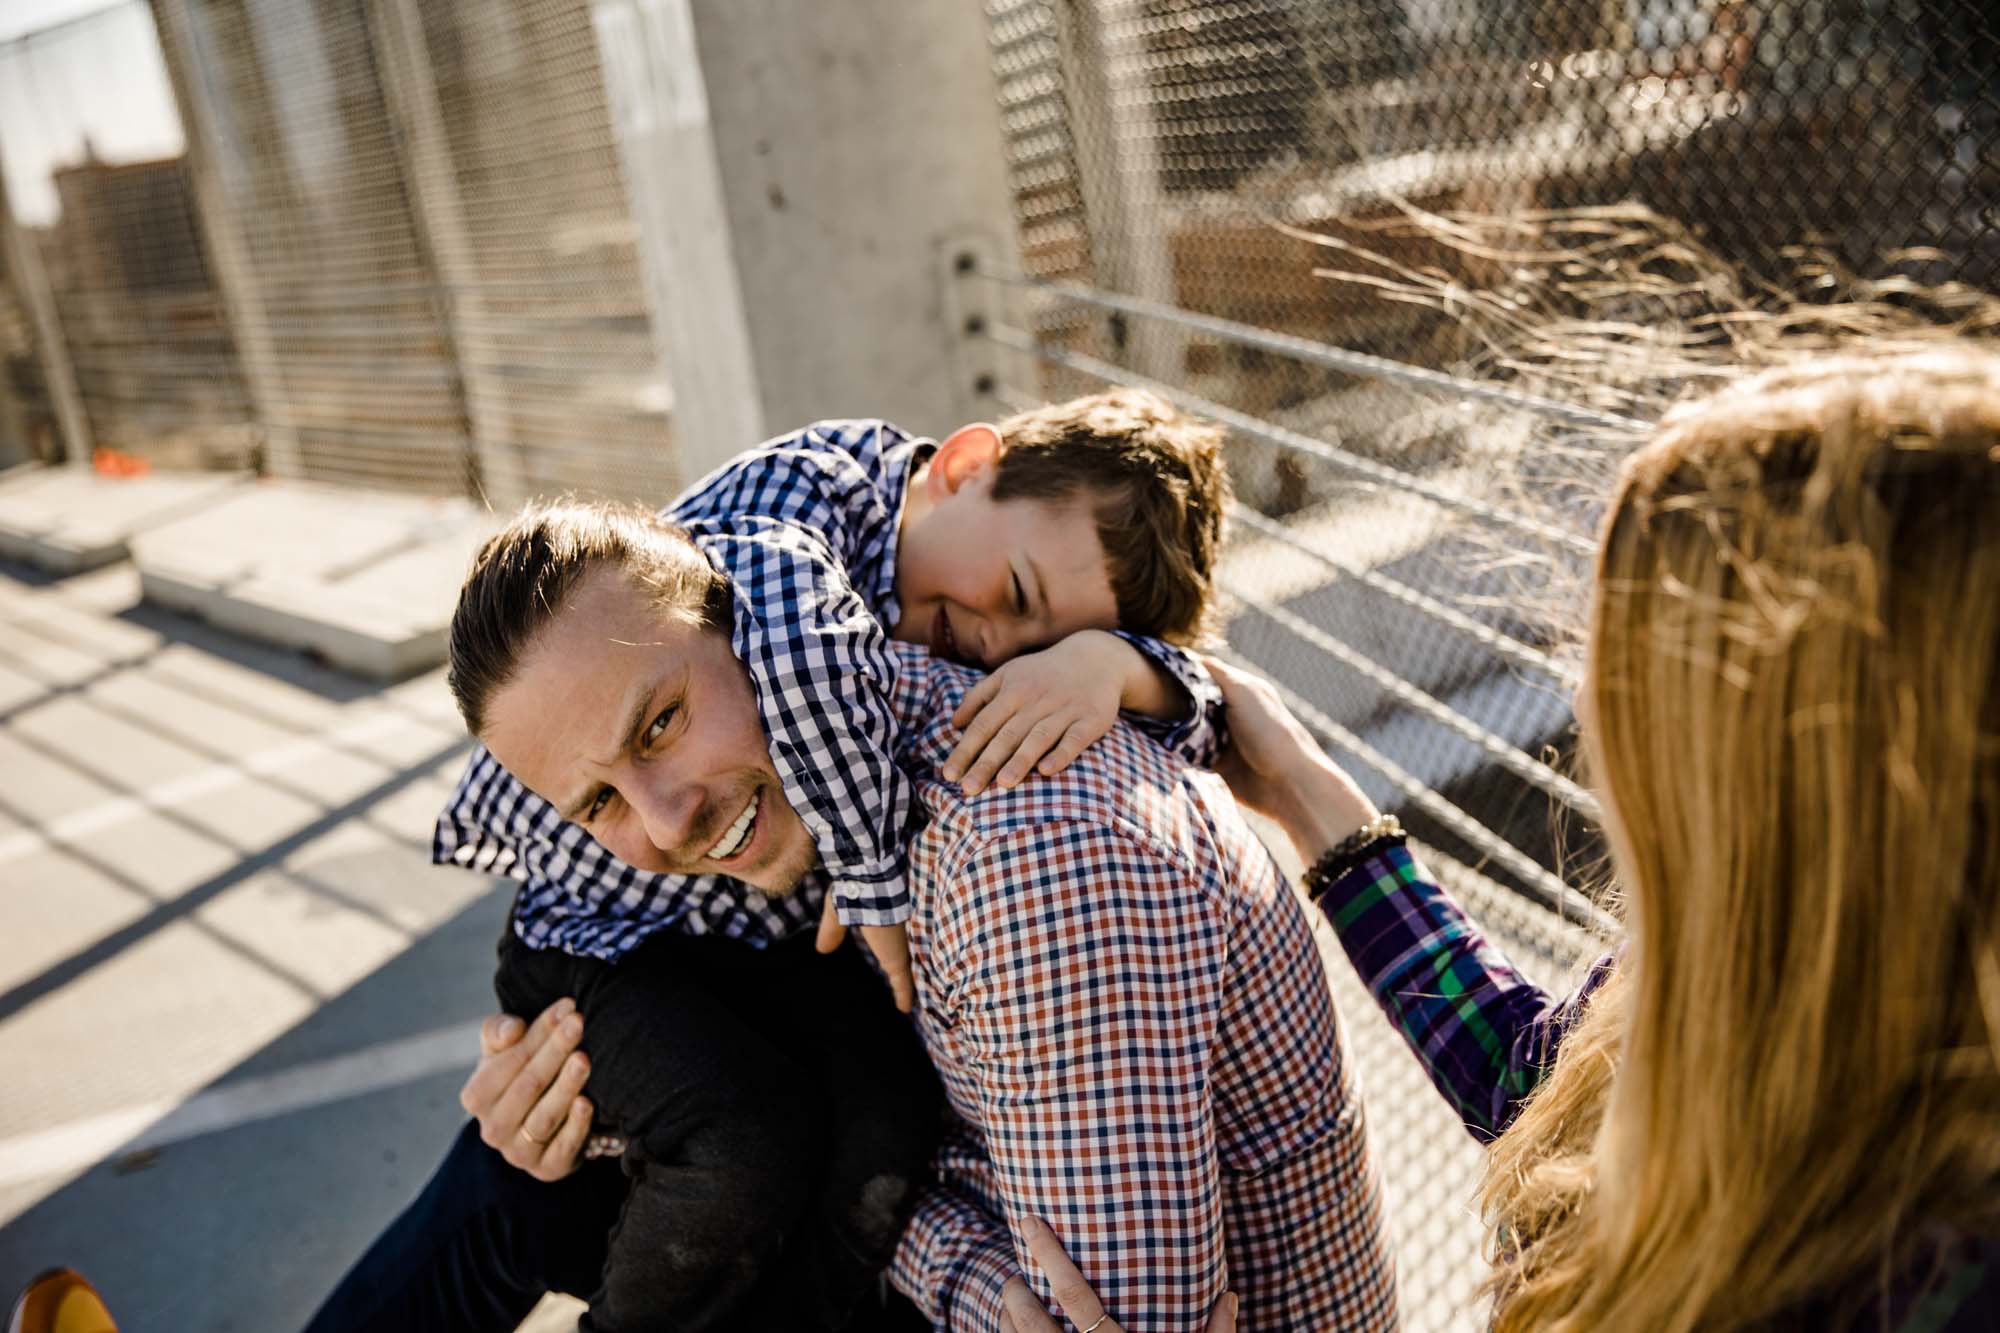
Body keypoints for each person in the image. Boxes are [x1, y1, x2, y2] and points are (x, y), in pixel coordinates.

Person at [1047, 347, 2000, 1331]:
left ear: (1779, 752)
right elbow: (1540, 1091)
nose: (1580, 694)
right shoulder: (1738, 988)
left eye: (1622, 649)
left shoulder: (1923, 1278)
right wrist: (1299, 788)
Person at [313, 497, 1398, 1332]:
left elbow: (1105, 1324)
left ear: (758, 632)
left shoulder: (1021, 859)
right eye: (598, 800)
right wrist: (581, 1113)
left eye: (661, 723)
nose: (669, 817)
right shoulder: (850, 805)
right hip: (960, 1248)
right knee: (513, 1178)